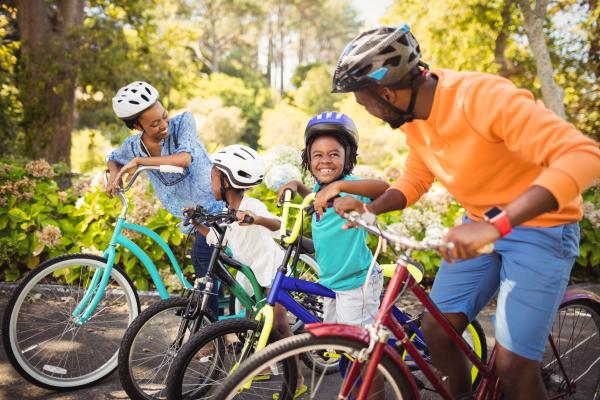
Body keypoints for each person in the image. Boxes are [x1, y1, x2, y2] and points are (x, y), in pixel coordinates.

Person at [326, 24, 600, 399]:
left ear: (386, 92)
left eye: (364, 103)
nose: (368, 112)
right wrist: (371, 208)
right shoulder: (414, 120)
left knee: (513, 367)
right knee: (436, 331)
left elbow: (585, 157)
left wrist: (495, 225)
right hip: (479, 227)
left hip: (542, 228)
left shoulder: (481, 97)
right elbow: (414, 180)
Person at [106, 80, 223, 315]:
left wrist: (139, 162)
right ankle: (215, 325)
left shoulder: (183, 123)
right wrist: (112, 176)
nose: (164, 125)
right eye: (154, 124)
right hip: (194, 216)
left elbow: (184, 158)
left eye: (164, 116)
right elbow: (114, 157)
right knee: (206, 266)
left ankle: (209, 332)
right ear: (138, 126)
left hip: (217, 204)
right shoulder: (133, 146)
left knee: (203, 260)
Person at [200, 144, 307, 398]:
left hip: (270, 268)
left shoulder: (252, 204)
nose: (210, 181)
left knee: (279, 324)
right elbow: (219, 239)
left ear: (226, 180)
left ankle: (297, 379)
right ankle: (261, 364)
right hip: (250, 273)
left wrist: (253, 218)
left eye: (213, 176)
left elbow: (277, 224)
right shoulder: (227, 212)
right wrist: (197, 224)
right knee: (252, 320)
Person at [278, 111, 389, 328]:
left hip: (357, 283)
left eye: (334, 154)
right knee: (334, 340)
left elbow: (386, 189)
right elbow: (317, 200)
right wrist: (297, 185)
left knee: (356, 346)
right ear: (308, 159)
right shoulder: (321, 189)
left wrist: (341, 186)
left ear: (348, 157)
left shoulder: (352, 186)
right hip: (331, 281)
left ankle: (378, 361)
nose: (325, 160)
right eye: (318, 155)